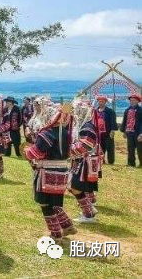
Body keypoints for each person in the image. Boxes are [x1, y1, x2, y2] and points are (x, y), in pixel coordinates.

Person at [24, 102, 77, 240]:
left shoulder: (47, 133)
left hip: (47, 171)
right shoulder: (65, 132)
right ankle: (66, 226)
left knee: (45, 203)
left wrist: (27, 151)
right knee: (56, 201)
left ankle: (56, 233)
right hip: (62, 170)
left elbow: (35, 153)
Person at [70, 98, 101, 224]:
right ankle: (89, 211)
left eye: (77, 110)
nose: (75, 113)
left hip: (84, 162)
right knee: (76, 187)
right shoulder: (83, 125)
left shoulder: (87, 126)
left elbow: (85, 145)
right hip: (81, 161)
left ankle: (89, 214)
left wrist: (67, 150)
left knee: (75, 187)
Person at [120, 94, 142, 167]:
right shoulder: (127, 110)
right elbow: (125, 121)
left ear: (138, 101)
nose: (132, 102)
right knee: (130, 149)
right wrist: (124, 132)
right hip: (129, 132)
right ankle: (131, 163)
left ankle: (141, 163)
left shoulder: (140, 110)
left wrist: (141, 134)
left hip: (138, 132)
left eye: (134, 100)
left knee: (140, 149)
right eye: (131, 100)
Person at [94, 95, 116, 164]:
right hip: (98, 133)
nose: (101, 103)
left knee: (110, 147)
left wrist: (112, 131)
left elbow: (113, 122)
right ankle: (101, 160)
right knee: (100, 147)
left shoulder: (110, 111)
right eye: (99, 101)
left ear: (105, 102)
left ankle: (111, 161)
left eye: (102, 101)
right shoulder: (95, 111)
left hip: (107, 132)